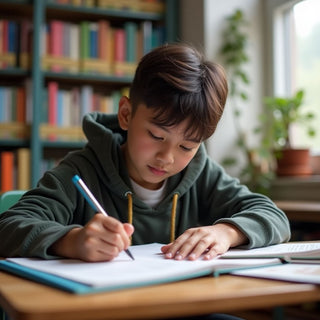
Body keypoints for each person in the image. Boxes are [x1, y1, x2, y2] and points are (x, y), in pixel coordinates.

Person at [0, 43, 290, 263]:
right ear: (126, 114)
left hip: (181, 309)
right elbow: (9, 226)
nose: (167, 157)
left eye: (186, 146)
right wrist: (72, 240)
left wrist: (225, 233)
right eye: (156, 136)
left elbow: (273, 216)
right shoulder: (82, 171)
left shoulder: (201, 174)